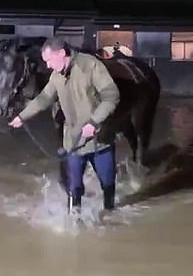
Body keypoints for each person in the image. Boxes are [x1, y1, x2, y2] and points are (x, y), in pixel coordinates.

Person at [8, 36, 120, 214]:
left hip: (100, 139)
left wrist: (94, 121)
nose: (48, 66)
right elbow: (44, 99)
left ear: (61, 53)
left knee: (108, 183)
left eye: (49, 61)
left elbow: (111, 96)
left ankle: (109, 215)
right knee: (73, 187)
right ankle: (73, 222)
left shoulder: (90, 65)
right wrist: (22, 117)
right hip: (74, 141)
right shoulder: (56, 76)